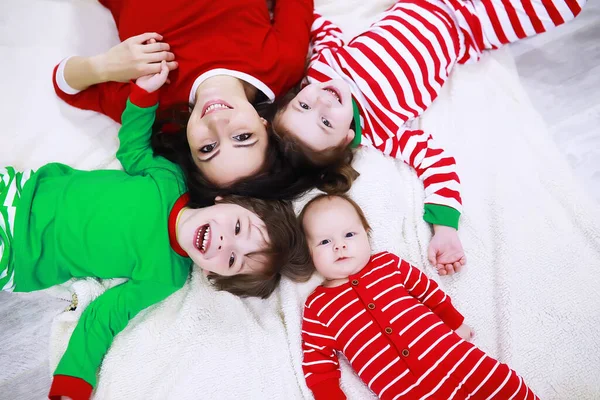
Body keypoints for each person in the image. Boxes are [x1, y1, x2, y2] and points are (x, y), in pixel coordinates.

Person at [1, 62, 310, 400]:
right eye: (238, 226)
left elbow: (106, 317)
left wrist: (73, 380)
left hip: (19, 254)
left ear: (212, 273)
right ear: (224, 199)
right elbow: (132, 149)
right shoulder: (169, 179)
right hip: (21, 189)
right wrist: (144, 95)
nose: (224, 242)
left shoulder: (166, 276)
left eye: (233, 259)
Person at [272, 0, 586, 274]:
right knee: (565, 6)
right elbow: (436, 163)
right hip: (470, 27)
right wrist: (445, 227)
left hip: (416, 4)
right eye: (326, 121)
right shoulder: (381, 132)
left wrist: (294, 16)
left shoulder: (321, 71)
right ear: (345, 140)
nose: (321, 102)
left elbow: (326, 33)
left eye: (303, 104)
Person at [52, 0, 314, 197]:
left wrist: (106, 65)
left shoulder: (153, 98)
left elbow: (64, 83)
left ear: (190, 149)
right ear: (264, 123)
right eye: (242, 137)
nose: (217, 123)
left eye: (208, 148)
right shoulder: (282, 65)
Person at [298, 194, 539, 399]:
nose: (339, 246)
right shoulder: (317, 307)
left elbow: (429, 292)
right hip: (408, 391)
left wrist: (454, 322)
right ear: (309, 254)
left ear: (366, 234)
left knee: (505, 385)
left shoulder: (388, 264)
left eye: (349, 235)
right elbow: (318, 365)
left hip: (458, 359)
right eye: (325, 241)